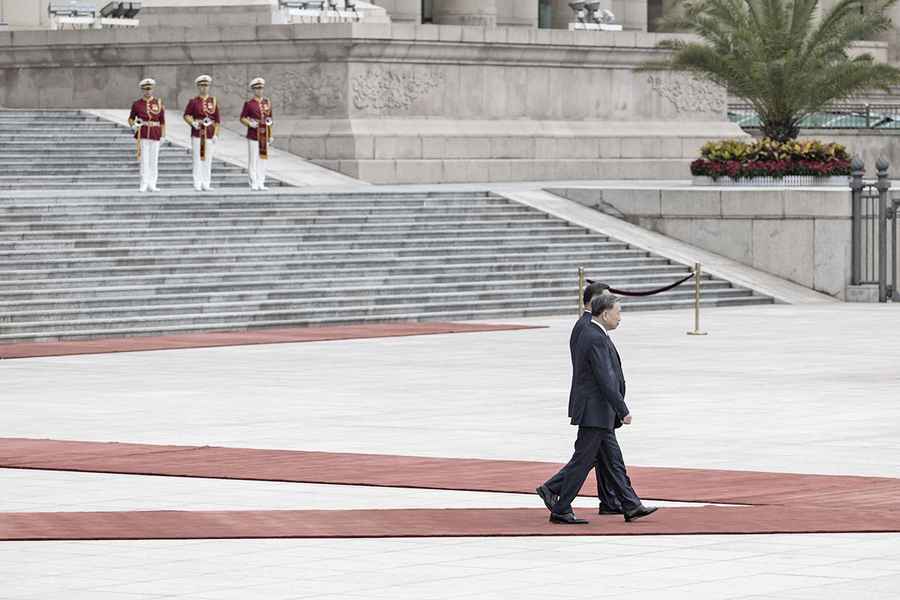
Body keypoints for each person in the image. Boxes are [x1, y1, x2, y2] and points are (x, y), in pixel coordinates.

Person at [539, 294, 658, 524]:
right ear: (605, 314)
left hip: (598, 412)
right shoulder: (594, 337)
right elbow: (605, 378)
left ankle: (630, 504)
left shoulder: (595, 333)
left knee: (613, 462)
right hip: (595, 412)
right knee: (582, 461)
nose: (620, 318)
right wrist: (622, 409)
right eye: (618, 312)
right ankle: (560, 506)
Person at [537, 281, 624, 516]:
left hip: (597, 406)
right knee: (588, 458)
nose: (610, 305)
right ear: (594, 302)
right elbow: (597, 373)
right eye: (606, 300)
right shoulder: (589, 328)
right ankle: (555, 493)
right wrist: (620, 406)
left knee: (604, 458)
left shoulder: (588, 326)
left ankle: (613, 501)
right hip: (594, 406)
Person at [183, 74, 220, 192]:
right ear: (198, 87)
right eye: (202, 85)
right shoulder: (194, 101)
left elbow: (217, 120)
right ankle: (197, 183)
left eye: (206, 85)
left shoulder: (213, 101)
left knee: (208, 159)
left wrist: (216, 134)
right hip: (198, 132)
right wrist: (192, 122)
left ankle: (206, 183)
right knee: (197, 159)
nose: (204, 88)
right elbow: (186, 115)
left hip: (209, 133)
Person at [128, 78, 165, 192]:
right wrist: (133, 125)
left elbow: (162, 121)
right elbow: (131, 118)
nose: (147, 91)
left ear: (152, 89)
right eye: (145, 89)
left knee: (154, 160)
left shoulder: (158, 103)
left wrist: (163, 135)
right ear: (142, 90)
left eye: (149, 89)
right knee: (144, 160)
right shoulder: (137, 104)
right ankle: (144, 183)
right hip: (143, 133)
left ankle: (152, 184)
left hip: (155, 133)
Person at [239, 77, 274, 191]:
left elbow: (270, 120)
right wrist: (250, 123)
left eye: (261, 88)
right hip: (254, 134)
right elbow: (242, 118)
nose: (259, 90)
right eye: (257, 88)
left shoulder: (267, 103)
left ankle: (261, 182)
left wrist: (270, 135)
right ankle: (253, 182)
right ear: (253, 90)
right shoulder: (249, 104)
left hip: (265, 134)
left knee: (263, 159)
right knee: (253, 159)